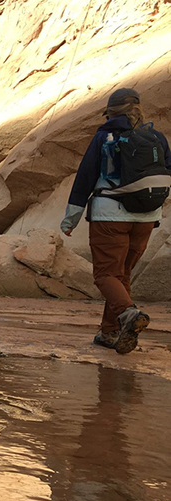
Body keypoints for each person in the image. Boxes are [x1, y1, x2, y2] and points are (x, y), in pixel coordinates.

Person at [61, 88, 171, 354]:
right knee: (122, 275)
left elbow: (85, 176)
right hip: (146, 218)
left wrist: (71, 218)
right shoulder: (156, 136)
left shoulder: (104, 136)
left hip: (109, 216)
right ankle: (110, 332)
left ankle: (128, 313)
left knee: (105, 275)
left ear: (110, 113)